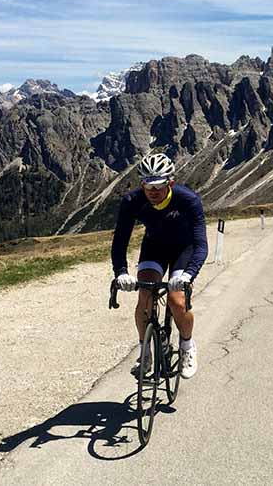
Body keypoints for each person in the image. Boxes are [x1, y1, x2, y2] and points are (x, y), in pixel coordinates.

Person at [111, 153, 208, 379]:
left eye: (159, 185)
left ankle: (187, 346)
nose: (153, 191)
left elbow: (201, 244)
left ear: (170, 182)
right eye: (147, 185)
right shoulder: (132, 202)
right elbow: (119, 243)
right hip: (154, 247)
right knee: (144, 295)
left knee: (177, 300)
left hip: (184, 249)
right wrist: (121, 273)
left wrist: (188, 275)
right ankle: (145, 352)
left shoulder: (188, 200)